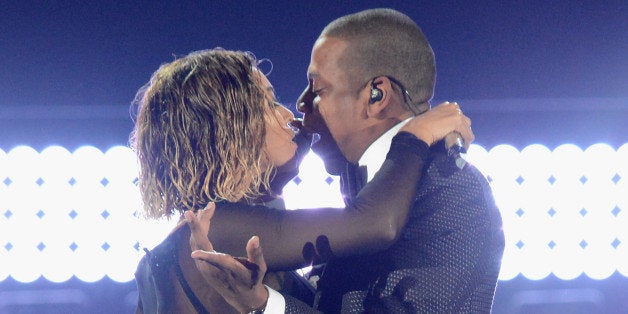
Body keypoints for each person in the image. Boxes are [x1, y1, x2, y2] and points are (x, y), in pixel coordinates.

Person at [189, 8, 505, 313]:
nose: (298, 105)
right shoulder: (369, 194)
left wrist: (266, 302)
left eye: (317, 88)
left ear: (376, 95)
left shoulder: (451, 192)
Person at [132, 48, 474, 312]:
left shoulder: (182, 244)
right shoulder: (218, 227)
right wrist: (415, 136)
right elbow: (377, 223)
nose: (288, 115)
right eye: (267, 103)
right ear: (229, 128)